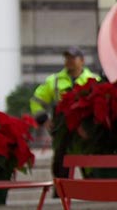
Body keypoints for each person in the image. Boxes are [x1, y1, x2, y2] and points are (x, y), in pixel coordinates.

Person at [29, 45, 98, 176]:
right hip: (62, 129)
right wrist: (44, 120)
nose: (69, 61)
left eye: (73, 57)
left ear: (82, 60)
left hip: (85, 129)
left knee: (89, 163)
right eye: (67, 58)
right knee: (61, 163)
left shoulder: (94, 79)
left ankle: (92, 192)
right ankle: (60, 193)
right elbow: (36, 101)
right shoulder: (53, 81)